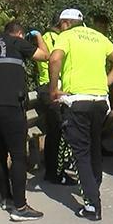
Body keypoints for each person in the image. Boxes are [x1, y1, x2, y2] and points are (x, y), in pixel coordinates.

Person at [49, 9, 113, 221]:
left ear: (65, 23)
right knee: (94, 147)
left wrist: (53, 90)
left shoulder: (66, 36)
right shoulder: (97, 36)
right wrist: (105, 83)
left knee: (81, 153)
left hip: (77, 102)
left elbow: (55, 59)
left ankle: (92, 205)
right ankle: (94, 186)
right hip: (101, 102)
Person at [0, 21, 49, 222]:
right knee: (19, 156)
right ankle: (20, 207)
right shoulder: (16, 42)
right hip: (10, 106)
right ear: (18, 33)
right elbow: (44, 56)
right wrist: (37, 36)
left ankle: (6, 199)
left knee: (0, 155)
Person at [35, 12, 77, 185]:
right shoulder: (50, 38)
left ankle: (58, 167)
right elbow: (53, 61)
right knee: (56, 131)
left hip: (58, 88)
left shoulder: (57, 37)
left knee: (60, 131)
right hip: (51, 87)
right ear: (64, 23)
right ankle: (53, 172)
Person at [91, 14, 113, 158]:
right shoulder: (90, 40)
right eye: (101, 25)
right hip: (92, 86)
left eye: (105, 26)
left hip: (102, 85)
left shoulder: (105, 41)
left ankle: (98, 146)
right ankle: (95, 149)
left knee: (102, 119)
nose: (103, 28)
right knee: (95, 121)